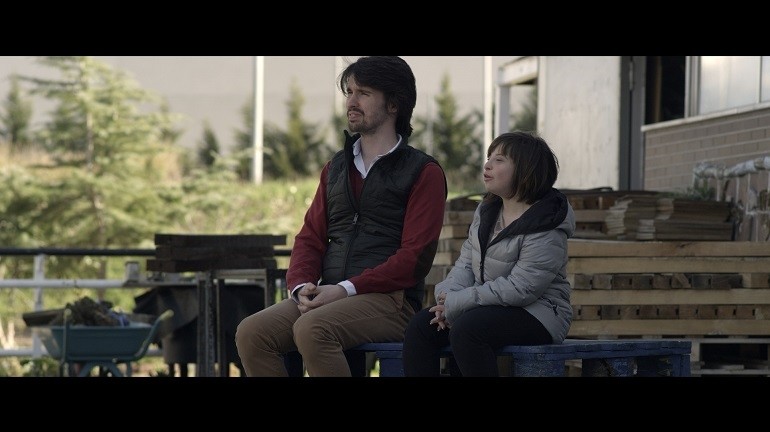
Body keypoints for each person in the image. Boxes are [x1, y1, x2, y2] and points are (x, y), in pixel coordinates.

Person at [235, 56, 447, 377]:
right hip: (329, 296)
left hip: (392, 302)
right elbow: (310, 237)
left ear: (393, 104)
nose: (351, 101)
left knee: (312, 329)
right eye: (349, 92)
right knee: (252, 333)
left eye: (363, 93)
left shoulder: (423, 171)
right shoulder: (335, 167)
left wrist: (345, 288)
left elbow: (414, 258)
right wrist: (301, 287)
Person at [402, 131, 576, 377]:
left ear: (526, 169)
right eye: (488, 158)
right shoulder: (487, 212)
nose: (487, 165)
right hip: (484, 307)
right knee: (421, 326)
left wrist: (457, 303)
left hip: (540, 313)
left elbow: (522, 288)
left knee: (468, 330)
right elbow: (465, 265)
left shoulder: (546, 222)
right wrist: (446, 299)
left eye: (499, 160)